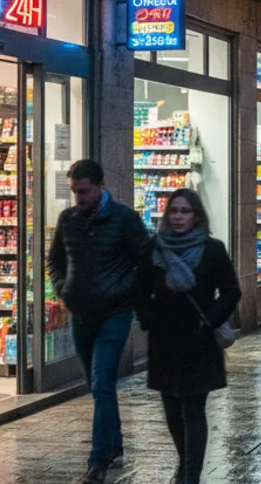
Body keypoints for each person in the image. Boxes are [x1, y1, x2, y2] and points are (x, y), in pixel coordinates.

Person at [47, 159, 151, 483]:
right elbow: (55, 261)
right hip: (81, 315)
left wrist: (123, 291)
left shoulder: (124, 219)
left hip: (114, 315)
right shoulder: (68, 220)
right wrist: (64, 290)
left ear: (100, 187)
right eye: (74, 191)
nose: (78, 197)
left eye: (84, 191)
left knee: (103, 382)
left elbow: (145, 261)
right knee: (97, 387)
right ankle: (115, 442)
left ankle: (97, 462)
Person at [134, 189, 241, 484]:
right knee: (171, 409)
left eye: (185, 211)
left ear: (197, 216)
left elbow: (232, 291)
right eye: (174, 211)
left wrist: (212, 319)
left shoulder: (212, 249)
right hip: (164, 340)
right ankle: (185, 462)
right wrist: (148, 318)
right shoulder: (154, 249)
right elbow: (139, 289)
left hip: (199, 339)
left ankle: (191, 475)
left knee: (193, 408)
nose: (179, 217)